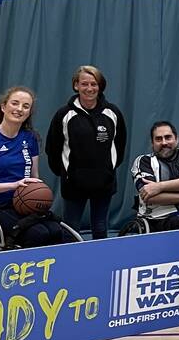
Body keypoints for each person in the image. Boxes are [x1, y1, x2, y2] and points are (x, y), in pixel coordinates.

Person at [0, 86, 69, 247]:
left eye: (25, 106)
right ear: (3, 107)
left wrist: (39, 194)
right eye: (15, 103)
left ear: (29, 112)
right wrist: (13, 185)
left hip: (22, 204)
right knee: (38, 234)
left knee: (56, 231)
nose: (19, 109)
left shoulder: (30, 139)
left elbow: (34, 177)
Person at [46, 65, 127, 239]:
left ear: (100, 86)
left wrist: (108, 169)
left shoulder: (112, 113)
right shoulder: (64, 114)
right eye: (84, 84)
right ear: (76, 85)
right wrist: (66, 173)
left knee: (100, 228)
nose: (89, 88)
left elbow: (120, 146)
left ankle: (101, 265)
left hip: (104, 182)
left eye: (94, 84)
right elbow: (52, 148)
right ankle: (70, 264)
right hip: (74, 184)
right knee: (70, 230)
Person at [130, 121, 179, 230]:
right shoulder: (143, 161)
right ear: (152, 143)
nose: (164, 142)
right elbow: (149, 197)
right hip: (156, 218)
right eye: (158, 139)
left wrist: (159, 186)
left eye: (168, 137)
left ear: (176, 139)